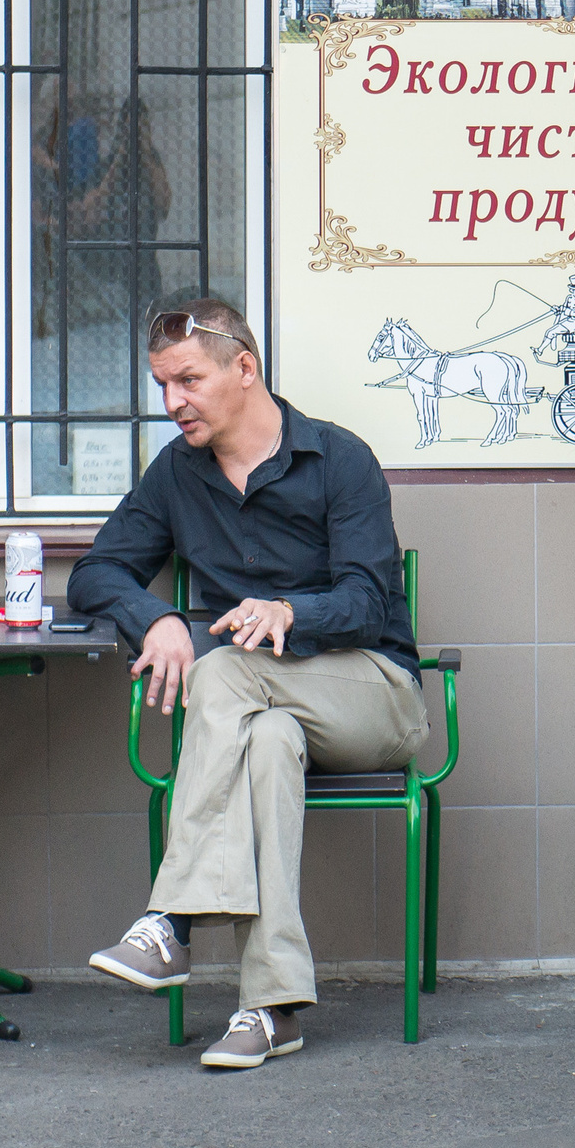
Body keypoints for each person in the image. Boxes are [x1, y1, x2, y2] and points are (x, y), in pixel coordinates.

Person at [75, 300, 426, 1070]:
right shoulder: (177, 475)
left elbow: (370, 602)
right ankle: (271, 1008)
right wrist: (154, 618)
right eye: (162, 385)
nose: (172, 403)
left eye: (188, 381)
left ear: (245, 368)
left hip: (373, 696)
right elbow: (95, 572)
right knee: (265, 743)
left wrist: (290, 611)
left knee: (226, 667)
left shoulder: (340, 460)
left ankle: (170, 919)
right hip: (265, 711)